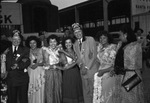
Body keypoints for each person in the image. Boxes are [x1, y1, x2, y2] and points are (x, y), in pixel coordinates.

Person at [114, 25, 144, 103]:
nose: (119, 37)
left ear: (126, 34)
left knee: (130, 98)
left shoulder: (135, 45)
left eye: (120, 35)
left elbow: (134, 64)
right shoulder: (121, 44)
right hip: (120, 75)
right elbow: (118, 59)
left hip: (130, 76)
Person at [72, 23, 98, 103]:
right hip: (82, 71)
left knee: (94, 90)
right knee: (86, 91)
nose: (78, 34)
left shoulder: (90, 39)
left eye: (79, 31)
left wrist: (86, 67)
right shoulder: (75, 44)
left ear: (82, 31)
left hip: (91, 69)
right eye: (75, 32)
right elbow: (77, 58)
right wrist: (81, 66)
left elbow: (94, 55)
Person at [4, 30, 30, 103]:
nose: (16, 41)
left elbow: (27, 61)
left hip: (22, 78)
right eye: (14, 39)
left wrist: (18, 66)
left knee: (23, 99)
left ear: (21, 40)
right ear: (11, 39)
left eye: (18, 39)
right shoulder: (6, 50)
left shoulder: (25, 49)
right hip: (10, 78)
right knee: (12, 99)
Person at [93, 31, 118, 103]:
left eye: (104, 38)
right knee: (101, 93)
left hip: (109, 73)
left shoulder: (113, 47)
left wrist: (103, 71)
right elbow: (98, 61)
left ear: (108, 38)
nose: (102, 39)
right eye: (100, 38)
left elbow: (115, 64)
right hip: (100, 73)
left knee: (108, 94)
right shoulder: (99, 48)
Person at [42, 34, 66, 103]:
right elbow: (42, 62)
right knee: (49, 90)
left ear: (57, 42)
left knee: (58, 90)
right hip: (48, 72)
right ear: (48, 43)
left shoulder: (59, 50)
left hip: (57, 72)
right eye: (51, 42)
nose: (53, 43)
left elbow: (64, 62)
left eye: (54, 41)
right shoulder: (45, 50)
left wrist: (59, 58)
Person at [61, 37, 84, 103]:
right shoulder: (62, 52)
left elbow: (78, 59)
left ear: (72, 43)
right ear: (64, 44)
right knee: (69, 88)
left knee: (76, 88)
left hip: (76, 72)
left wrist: (77, 61)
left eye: (69, 42)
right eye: (66, 42)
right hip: (68, 73)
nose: (68, 44)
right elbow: (66, 67)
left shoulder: (76, 50)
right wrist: (76, 61)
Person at [25, 36, 45, 103]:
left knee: (40, 88)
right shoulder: (27, 51)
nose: (32, 44)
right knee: (31, 87)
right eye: (30, 43)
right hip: (31, 72)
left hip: (40, 71)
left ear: (37, 43)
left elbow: (46, 62)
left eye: (34, 43)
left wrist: (37, 64)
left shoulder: (42, 50)